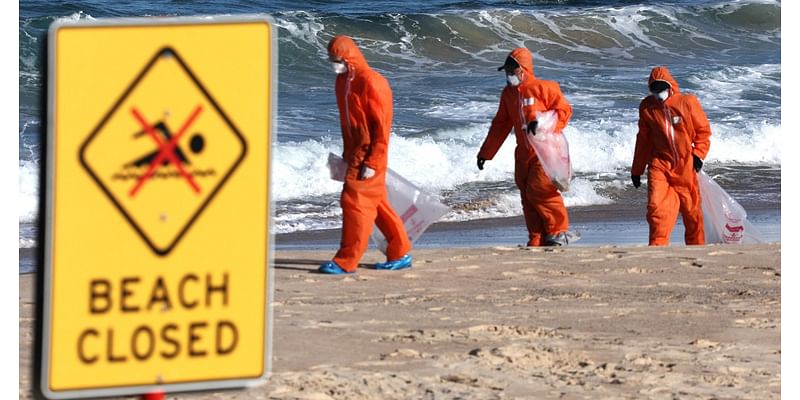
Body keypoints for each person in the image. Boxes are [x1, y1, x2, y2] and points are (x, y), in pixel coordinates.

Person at [318, 35, 412, 274]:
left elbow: (382, 126)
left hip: (370, 154)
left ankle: (346, 260)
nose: (333, 63)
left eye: (336, 59)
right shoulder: (342, 82)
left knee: (355, 203)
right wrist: (346, 155)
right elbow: (347, 123)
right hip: (354, 153)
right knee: (377, 204)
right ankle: (400, 252)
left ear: (348, 58)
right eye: (331, 59)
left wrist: (374, 160)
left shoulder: (371, 82)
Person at [476, 48, 574, 247]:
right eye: (507, 71)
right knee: (526, 194)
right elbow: (501, 125)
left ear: (524, 69)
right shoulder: (508, 94)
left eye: (512, 70)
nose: (509, 75)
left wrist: (541, 123)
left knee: (540, 190)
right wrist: (486, 153)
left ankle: (558, 231)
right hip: (523, 152)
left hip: (545, 151)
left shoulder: (544, 88)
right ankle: (537, 237)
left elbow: (564, 111)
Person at [631, 66, 712, 246]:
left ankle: (696, 247)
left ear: (670, 86)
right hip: (660, 165)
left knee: (692, 212)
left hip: (686, 165)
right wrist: (637, 170)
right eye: (654, 89)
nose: (658, 93)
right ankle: (657, 246)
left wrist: (698, 155)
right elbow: (643, 140)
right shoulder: (647, 107)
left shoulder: (687, 102)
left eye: (661, 89)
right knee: (656, 207)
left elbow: (703, 132)